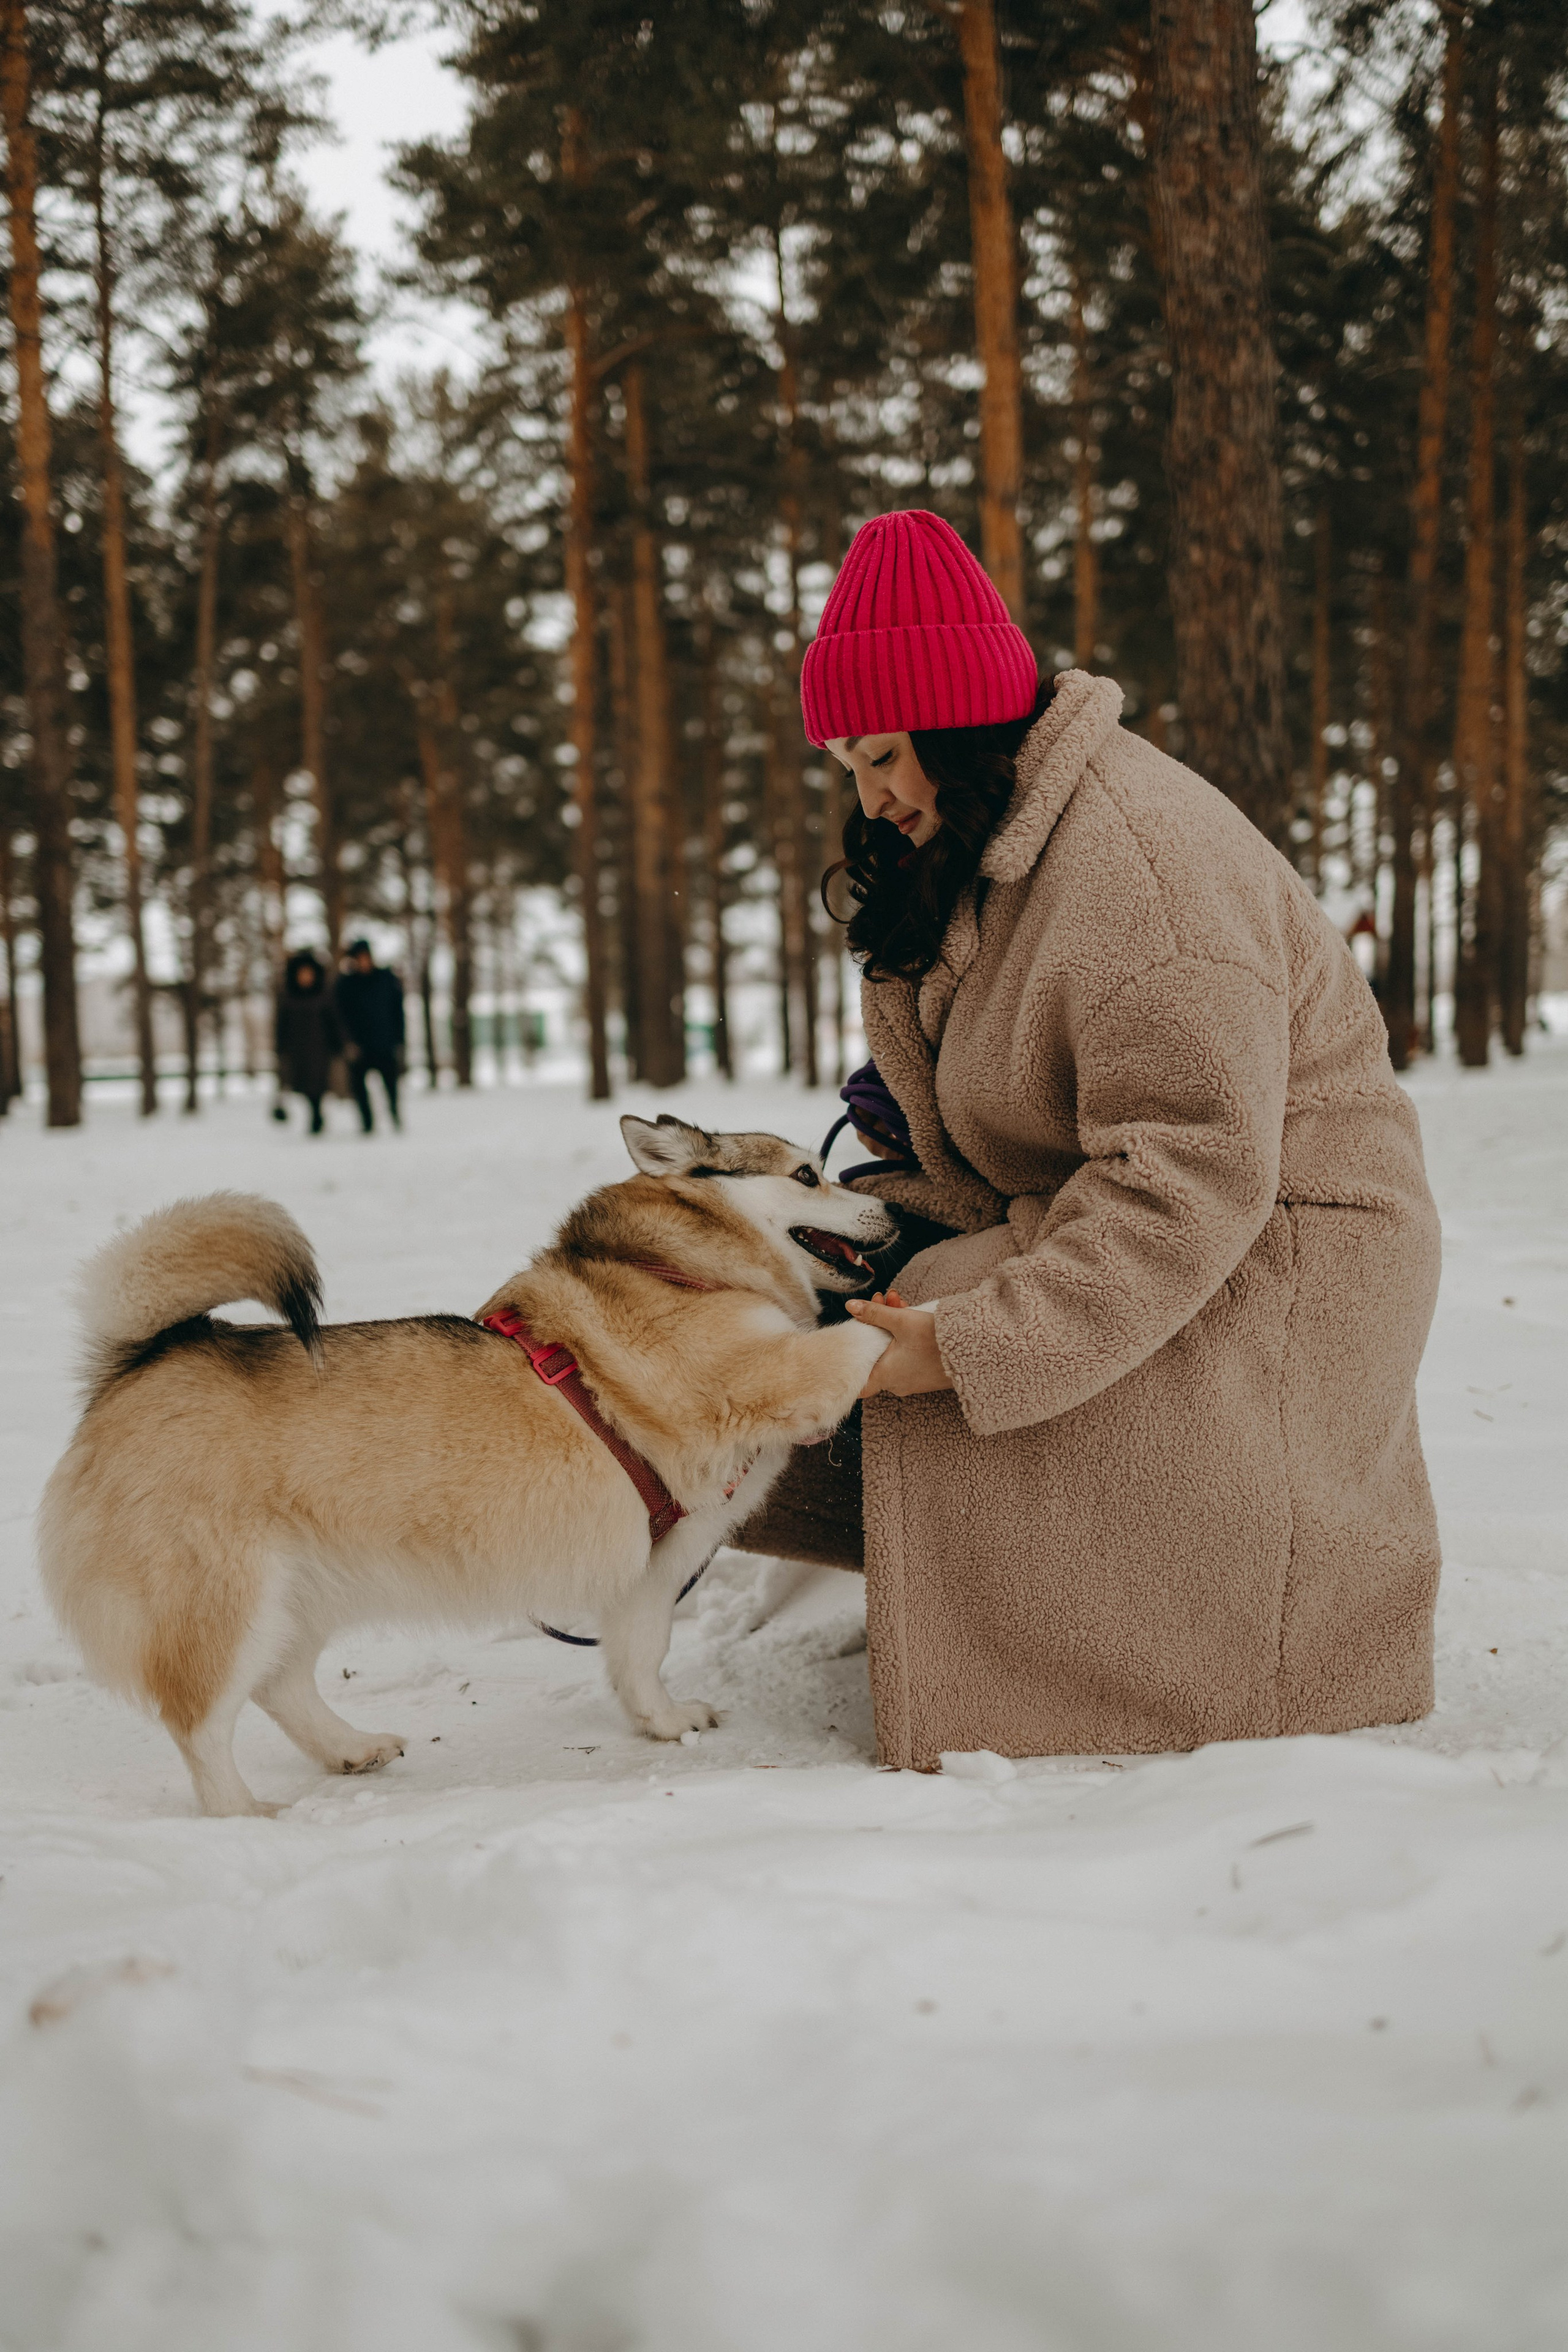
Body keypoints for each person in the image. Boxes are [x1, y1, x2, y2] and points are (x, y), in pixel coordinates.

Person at [735, 507, 1442, 1771]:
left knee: (925, 1343)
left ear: (958, 722)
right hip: (1128, 1213)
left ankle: (1177, 1654)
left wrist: (971, 1349)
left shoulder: (1142, 879)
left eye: (884, 753)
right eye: (845, 764)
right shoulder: (994, 839)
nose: (870, 794)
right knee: (792, 1306)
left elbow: (1191, 1178)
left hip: (1281, 1258)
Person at [334, 939, 405, 1133]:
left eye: (365, 957)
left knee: (390, 1085)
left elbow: (398, 1012)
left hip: (385, 1042)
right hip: (359, 1046)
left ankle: (395, 1115)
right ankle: (367, 1122)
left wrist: (399, 1040)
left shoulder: (386, 979)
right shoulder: (345, 985)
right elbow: (340, 1017)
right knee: (359, 1088)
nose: (363, 962)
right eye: (359, 958)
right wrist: (347, 1042)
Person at [274, 949, 345, 1136]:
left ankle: (317, 1116)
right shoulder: (289, 998)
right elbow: (282, 1026)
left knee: (318, 1085)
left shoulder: (323, 996)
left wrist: (338, 1044)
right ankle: (315, 1114)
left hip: (320, 1049)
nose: (305, 978)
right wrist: (281, 1048)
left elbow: (334, 1022)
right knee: (304, 1086)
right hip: (298, 1050)